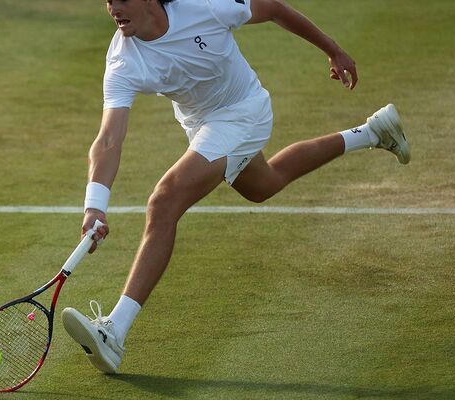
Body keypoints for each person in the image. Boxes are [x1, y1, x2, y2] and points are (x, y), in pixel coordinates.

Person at [61, 0, 410, 374]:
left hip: (245, 110)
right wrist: (94, 205)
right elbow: (109, 140)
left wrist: (334, 51)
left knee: (164, 201)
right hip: (200, 125)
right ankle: (373, 132)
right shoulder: (123, 61)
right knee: (264, 184)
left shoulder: (207, 6)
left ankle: (114, 330)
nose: (113, 8)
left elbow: (274, 8)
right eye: (108, 0)